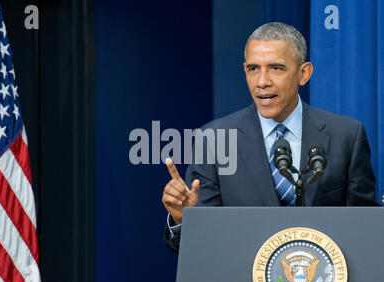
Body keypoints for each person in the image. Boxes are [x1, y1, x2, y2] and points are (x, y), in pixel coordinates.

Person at [161, 22, 379, 254]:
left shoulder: (347, 136)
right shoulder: (214, 140)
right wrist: (184, 220)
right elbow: (200, 249)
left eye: (276, 68)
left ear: (303, 73)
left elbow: (366, 232)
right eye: (254, 69)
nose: (262, 81)